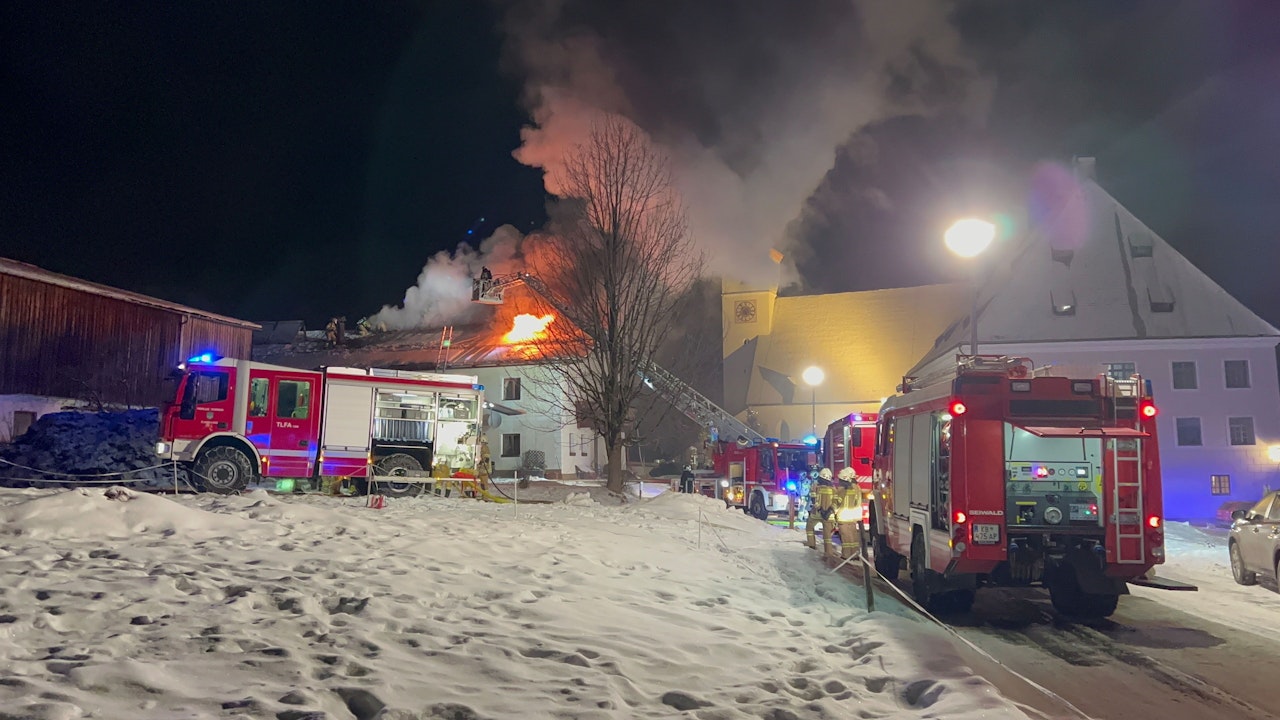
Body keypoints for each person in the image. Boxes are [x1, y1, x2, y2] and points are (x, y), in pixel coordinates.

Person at [804, 468, 837, 555]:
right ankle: (828, 552)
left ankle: (811, 545)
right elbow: (836, 502)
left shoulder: (815, 486)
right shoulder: (833, 489)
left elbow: (813, 499)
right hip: (828, 516)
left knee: (809, 527)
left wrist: (820, 509)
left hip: (816, 513)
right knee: (827, 535)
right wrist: (830, 511)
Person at [835, 467, 864, 559]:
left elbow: (837, 503)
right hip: (853, 516)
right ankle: (855, 554)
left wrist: (833, 512)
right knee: (853, 536)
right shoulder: (857, 488)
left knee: (845, 536)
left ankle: (846, 555)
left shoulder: (841, 489)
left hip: (843, 516)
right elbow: (858, 502)